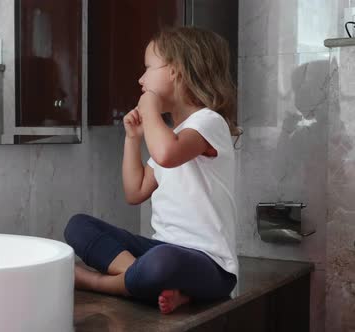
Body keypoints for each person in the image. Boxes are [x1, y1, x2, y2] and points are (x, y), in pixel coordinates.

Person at [64, 26, 241, 314]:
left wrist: (149, 106)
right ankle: (147, 282)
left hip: (211, 266)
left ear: (177, 71)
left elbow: (167, 154)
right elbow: (135, 192)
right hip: (160, 251)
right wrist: (132, 139)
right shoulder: (171, 135)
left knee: (163, 263)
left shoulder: (209, 122)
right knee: (78, 226)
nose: (141, 79)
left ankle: (100, 283)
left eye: (148, 68)